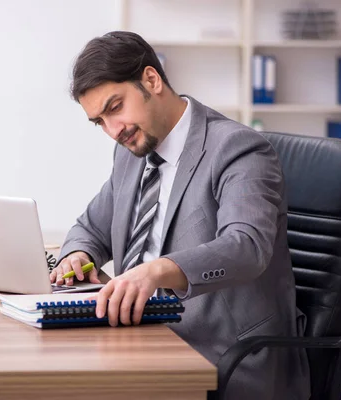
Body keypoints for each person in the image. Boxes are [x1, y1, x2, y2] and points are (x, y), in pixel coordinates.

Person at [49, 31, 310, 400]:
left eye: (114, 107)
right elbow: (91, 227)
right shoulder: (132, 152)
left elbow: (247, 247)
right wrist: (78, 254)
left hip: (225, 355)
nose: (113, 131)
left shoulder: (238, 148)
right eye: (99, 122)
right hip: (144, 339)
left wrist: (156, 271)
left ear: (151, 80)